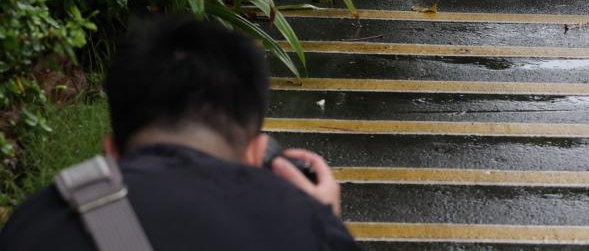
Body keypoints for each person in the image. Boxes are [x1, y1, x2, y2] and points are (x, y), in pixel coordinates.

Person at [0, 16, 361, 250]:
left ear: (111, 152)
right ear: (257, 152)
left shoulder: (36, 223)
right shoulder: (305, 229)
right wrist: (323, 219)